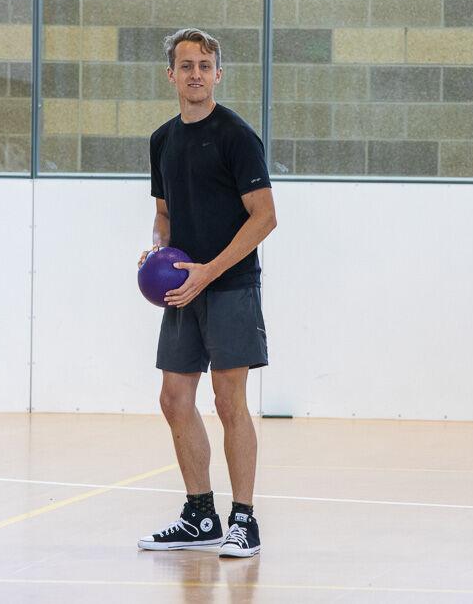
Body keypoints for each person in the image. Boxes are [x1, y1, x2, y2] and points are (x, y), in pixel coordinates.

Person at [136, 28, 276, 559]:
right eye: (186, 65)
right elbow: (164, 214)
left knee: (228, 400)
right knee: (174, 398)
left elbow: (265, 218)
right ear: (170, 74)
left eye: (205, 65)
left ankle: (245, 520)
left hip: (229, 284)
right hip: (181, 290)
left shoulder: (236, 136)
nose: (195, 73)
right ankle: (200, 515)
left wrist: (209, 272)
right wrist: (156, 251)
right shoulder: (162, 139)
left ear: (218, 73)